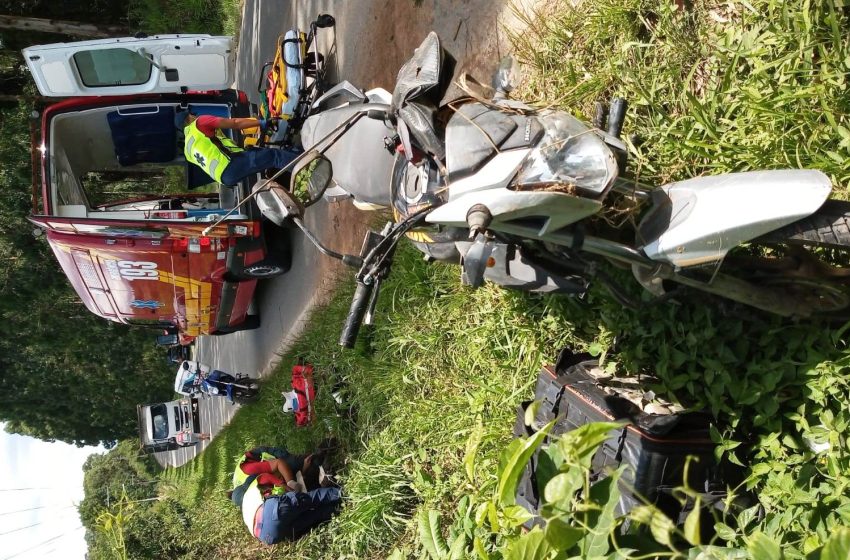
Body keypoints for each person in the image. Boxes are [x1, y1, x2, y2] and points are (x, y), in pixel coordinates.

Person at [174, 108, 298, 186]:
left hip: (225, 178)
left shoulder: (187, 151)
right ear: (189, 117)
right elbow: (235, 123)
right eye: (192, 115)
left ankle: (297, 166)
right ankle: (304, 168)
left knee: (262, 156)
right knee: (274, 156)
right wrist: (261, 122)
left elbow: (214, 150)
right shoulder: (199, 123)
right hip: (231, 164)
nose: (194, 116)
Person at [242, 482, 342, 544]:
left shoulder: (246, 513)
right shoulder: (253, 487)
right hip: (274, 511)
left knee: (311, 517)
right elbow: (275, 488)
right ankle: (342, 494)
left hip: (267, 537)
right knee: (311, 498)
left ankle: (338, 509)